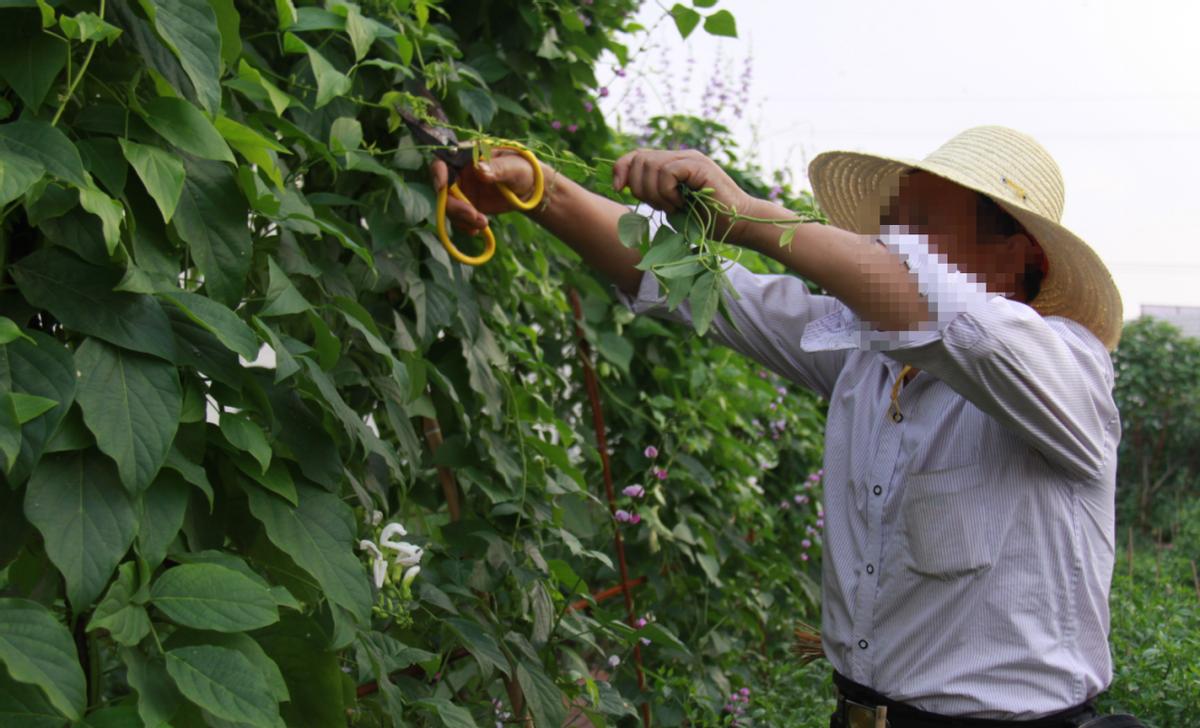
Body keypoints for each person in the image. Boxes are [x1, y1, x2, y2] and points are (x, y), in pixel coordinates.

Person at [433, 126, 1145, 727]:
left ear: (1023, 256)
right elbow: (685, 281)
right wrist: (540, 188)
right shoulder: (866, 358)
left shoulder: (1067, 375)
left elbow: (953, 317)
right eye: (897, 226)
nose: (897, 241)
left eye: (926, 224)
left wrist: (746, 215)